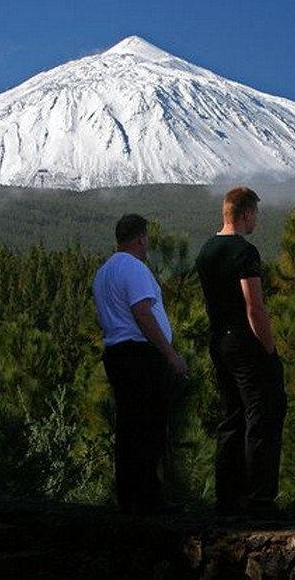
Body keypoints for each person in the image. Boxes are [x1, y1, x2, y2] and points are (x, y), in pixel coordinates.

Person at [196, 186, 287, 518]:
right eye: (256, 215)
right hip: (245, 342)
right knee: (261, 415)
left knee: (231, 416)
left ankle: (227, 497)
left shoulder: (206, 250)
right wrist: (270, 349)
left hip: (218, 340)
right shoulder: (244, 253)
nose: (256, 221)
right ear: (246, 214)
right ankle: (260, 499)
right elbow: (255, 308)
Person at [92, 213, 188, 515]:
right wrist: (170, 353)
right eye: (146, 239)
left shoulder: (104, 271)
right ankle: (148, 497)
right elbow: (142, 312)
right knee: (149, 425)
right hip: (138, 354)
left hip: (116, 353)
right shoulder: (134, 268)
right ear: (140, 238)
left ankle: (129, 495)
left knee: (129, 426)